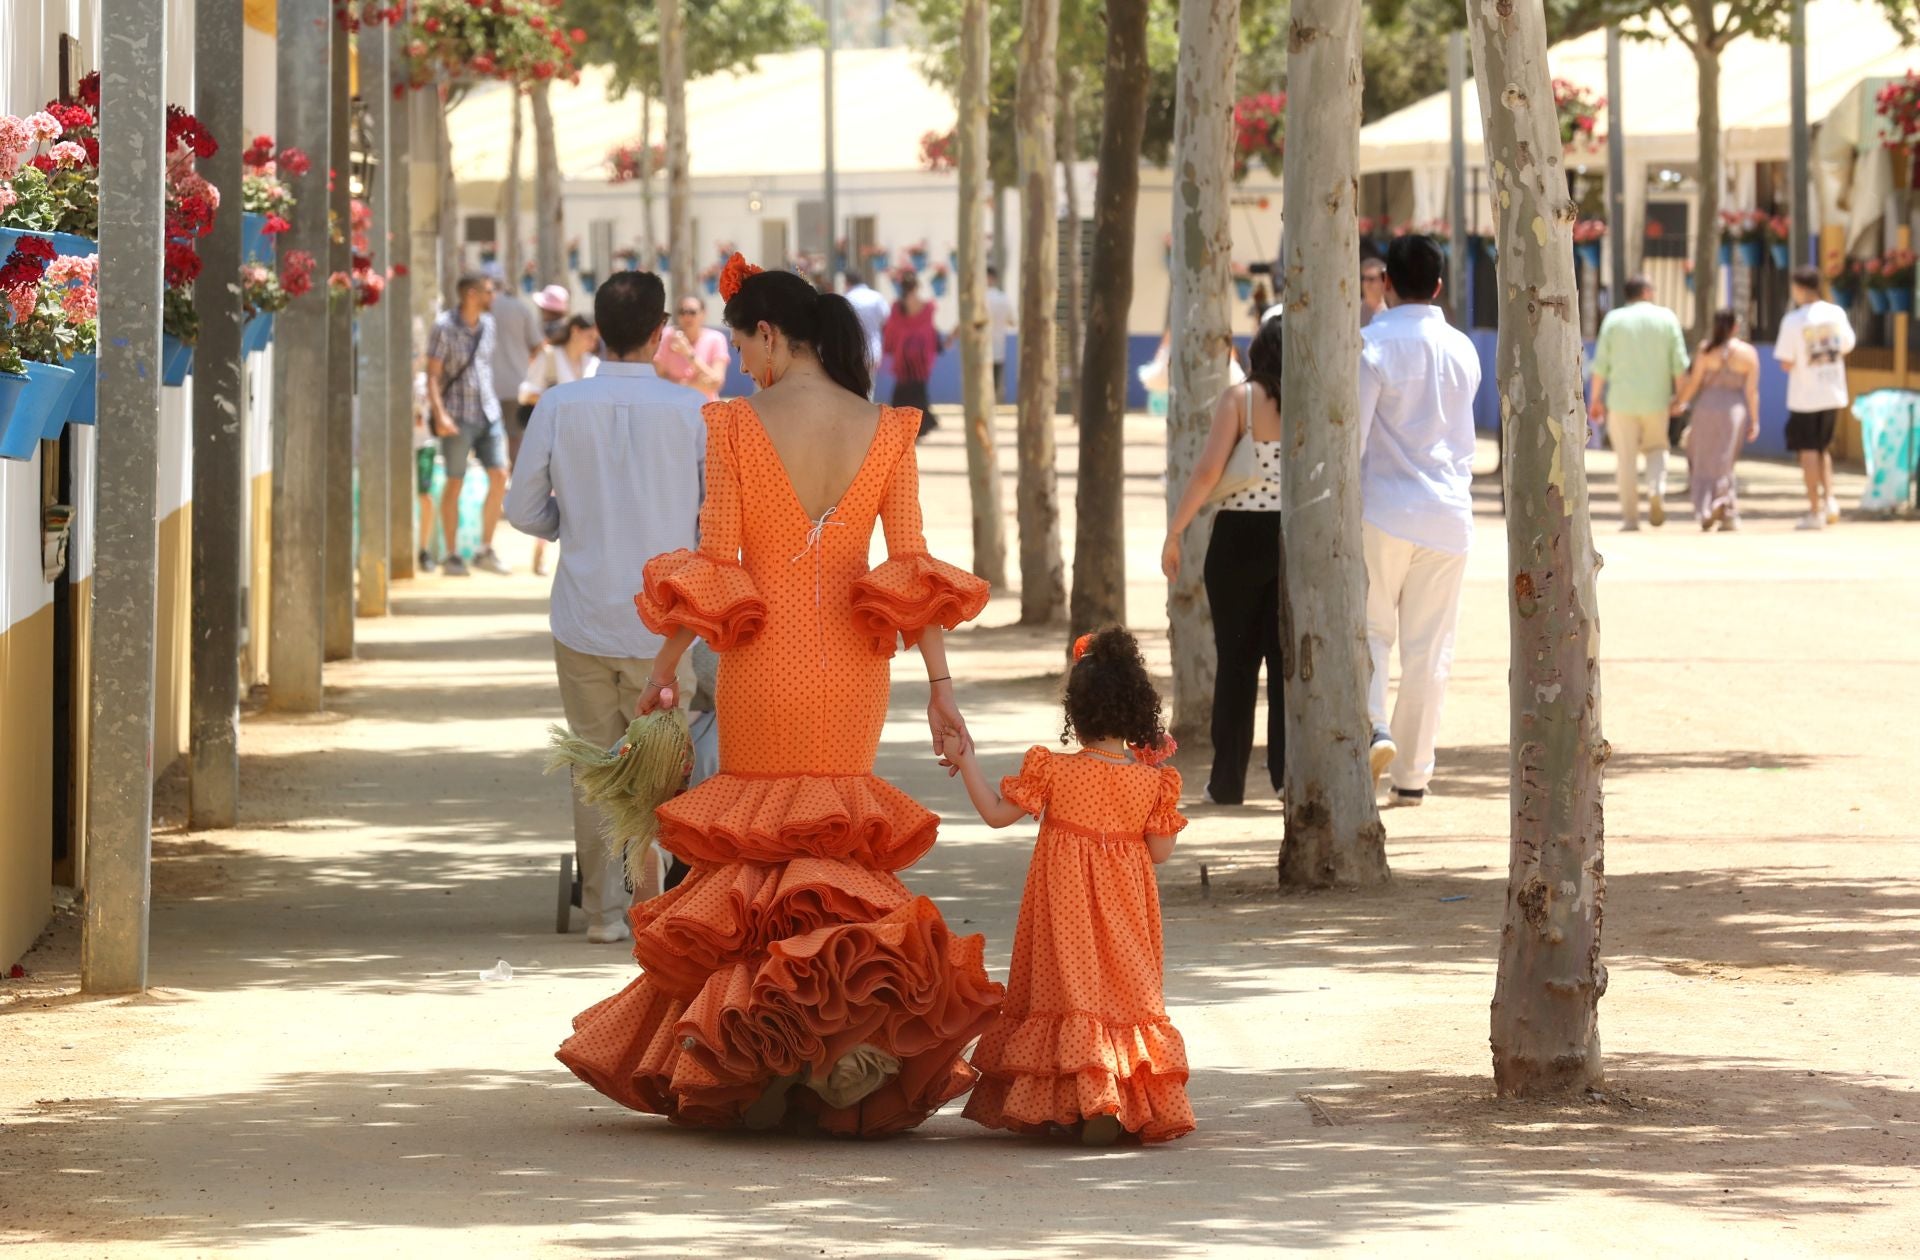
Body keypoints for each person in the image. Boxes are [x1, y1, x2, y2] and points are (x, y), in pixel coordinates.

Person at [555, 255, 1001, 1136]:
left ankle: (756, 1051)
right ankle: (832, 1049)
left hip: (762, 662)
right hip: (852, 666)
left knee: (756, 860)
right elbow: (908, 569)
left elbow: (717, 566)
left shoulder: (735, 427)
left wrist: (660, 672)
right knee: (834, 852)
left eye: (739, 342)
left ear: (771, 334)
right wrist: (941, 690)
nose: (737, 362)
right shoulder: (887, 427)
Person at [504, 272, 706, 944]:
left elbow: (521, 509)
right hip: (670, 626)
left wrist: (579, 528)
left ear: (597, 329)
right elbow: (715, 527)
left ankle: (604, 913)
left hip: (584, 613)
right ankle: (677, 905)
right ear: (660, 333)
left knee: (596, 764)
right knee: (671, 763)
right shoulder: (692, 412)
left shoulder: (560, 406)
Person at [942, 627, 1192, 1145]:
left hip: (1064, 915)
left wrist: (966, 759)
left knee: (1066, 995)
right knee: (1125, 996)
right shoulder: (1153, 781)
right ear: (1138, 712)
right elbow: (1162, 852)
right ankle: (1116, 1099)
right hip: (1127, 912)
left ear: (1075, 713)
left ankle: (1075, 1100)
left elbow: (994, 813)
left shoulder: (1052, 770)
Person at [1357, 235, 1481, 808]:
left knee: (1373, 632)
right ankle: (1413, 774)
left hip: (1380, 510)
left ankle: (1373, 729)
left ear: (1385, 283)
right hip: (1448, 515)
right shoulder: (1463, 349)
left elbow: (1351, 439)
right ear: (1438, 286)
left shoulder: (1369, 345)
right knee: (1431, 649)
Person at [1161, 315, 1286, 804]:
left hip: (1236, 538)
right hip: (1289, 538)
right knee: (1282, 665)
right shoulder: (1311, 400)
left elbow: (1209, 469)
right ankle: (1284, 777)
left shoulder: (1240, 399)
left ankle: (1228, 781)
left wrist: (1176, 531)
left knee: (1236, 661)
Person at [1588, 276, 1689, 531]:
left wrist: (1595, 399)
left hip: (1621, 402)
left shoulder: (1613, 320)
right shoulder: (1666, 318)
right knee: (1657, 448)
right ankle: (1656, 489)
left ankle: (1631, 518)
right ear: (1646, 292)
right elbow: (1679, 364)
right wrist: (1680, 399)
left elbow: (1600, 365)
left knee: (1625, 459)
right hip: (1657, 401)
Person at [426, 273, 510, 576]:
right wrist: (440, 414)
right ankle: (451, 556)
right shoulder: (443, 327)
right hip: (457, 414)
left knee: (500, 474)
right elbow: (433, 374)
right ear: (472, 294)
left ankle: (485, 549)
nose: (494, 296)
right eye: (489, 290)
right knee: (455, 481)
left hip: (488, 411)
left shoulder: (489, 324)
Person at [516, 314, 602, 577]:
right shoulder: (550, 356)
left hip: (586, 441)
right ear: (576, 331)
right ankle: (542, 553)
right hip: (553, 439)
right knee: (550, 497)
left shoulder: (594, 363)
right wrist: (559, 401)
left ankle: (575, 556)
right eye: (589, 336)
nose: (593, 342)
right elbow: (525, 392)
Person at [1776, 265, 1857, 530]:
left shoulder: (1793, 320)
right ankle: (1830, 500)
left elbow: (1786, 362)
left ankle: (1814, 509)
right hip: (1833, 392)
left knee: (1808, 453)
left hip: (1805, 397)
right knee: (1823, 450)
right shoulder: (1836, 313)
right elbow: (1846, 345)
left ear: (1798, 288)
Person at [1675, 310, 1761, 531]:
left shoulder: (1706, 350)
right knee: (1725, 461)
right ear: (1735, 327)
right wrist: (1755, 419)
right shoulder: (1748, 353)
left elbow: (1693, 383)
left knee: (1702, 458)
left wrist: (1678, 402)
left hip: (1706, 408)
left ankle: (1706, 508)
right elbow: (1752, 391)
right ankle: (1724, 507)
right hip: (1733, 411)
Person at [487, 266, 547, 466]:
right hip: (517, 383)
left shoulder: (482, 309)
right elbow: (538, 346)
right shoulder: (520, 308)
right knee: (516, 437)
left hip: (486, 387)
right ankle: (516, 484)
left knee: (487, 441)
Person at [882, 271, 944, 439]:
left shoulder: (897, 307)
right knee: (919, 390)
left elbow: (891, 331)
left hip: (903, 357)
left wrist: (889, 348)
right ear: (916, 287)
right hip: (920, 358)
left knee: (901, 392)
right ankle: (922, 425)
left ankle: (899, 424)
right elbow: (930, 332)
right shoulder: (926, 307)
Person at [653, 295, 731, 400]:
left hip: (705, 410)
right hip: (674, 408)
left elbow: (716, 383)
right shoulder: (667, 336)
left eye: (692, 312)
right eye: (682, 312)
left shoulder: (716, 339)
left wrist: (688, 353)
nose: (687, 317)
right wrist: (697, 385)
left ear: (703, 314)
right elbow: (658, 379)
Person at [843, 270, 889, 385]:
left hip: (853, 350)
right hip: (874, 350)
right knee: (870, 384)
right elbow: (887, 320)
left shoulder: (847, 299)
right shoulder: (876, 297)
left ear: (847, 282)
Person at [985, 264, 1017, 402]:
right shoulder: (1004, 299)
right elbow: (1013, 322)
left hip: (979, 349)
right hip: (998, 347)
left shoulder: (979, 298)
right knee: (994, 381)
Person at [1360, 256, 1388, 328]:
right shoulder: (1355, 309)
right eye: (1363, 278)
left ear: (1383, 281)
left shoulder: (1390, 311)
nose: (1366, 283)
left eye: (1371, 279)